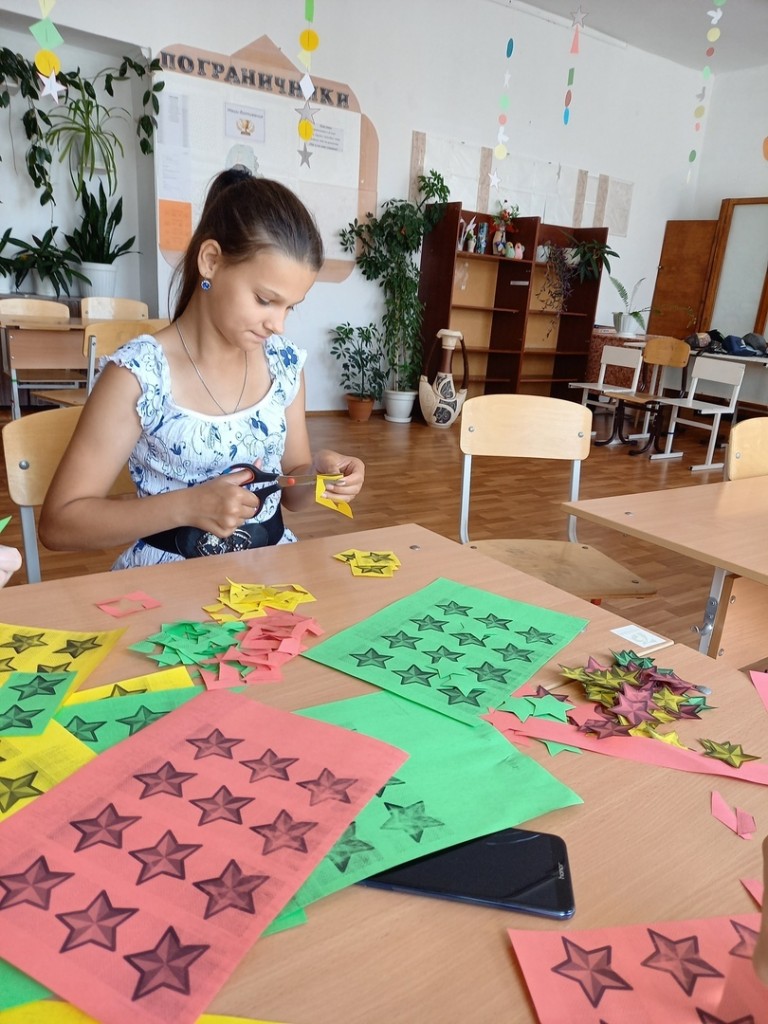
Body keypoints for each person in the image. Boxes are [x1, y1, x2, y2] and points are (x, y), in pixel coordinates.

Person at [39, 170, 365, 567]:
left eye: (289, 307)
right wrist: (188, 506)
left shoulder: (284, 367)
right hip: (169, 586)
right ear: (211, 261)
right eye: (265, 300)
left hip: (270, 582)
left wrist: (319, 472)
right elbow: (60, 524)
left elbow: (290, 490)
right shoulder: (140, 376)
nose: (278, 325)